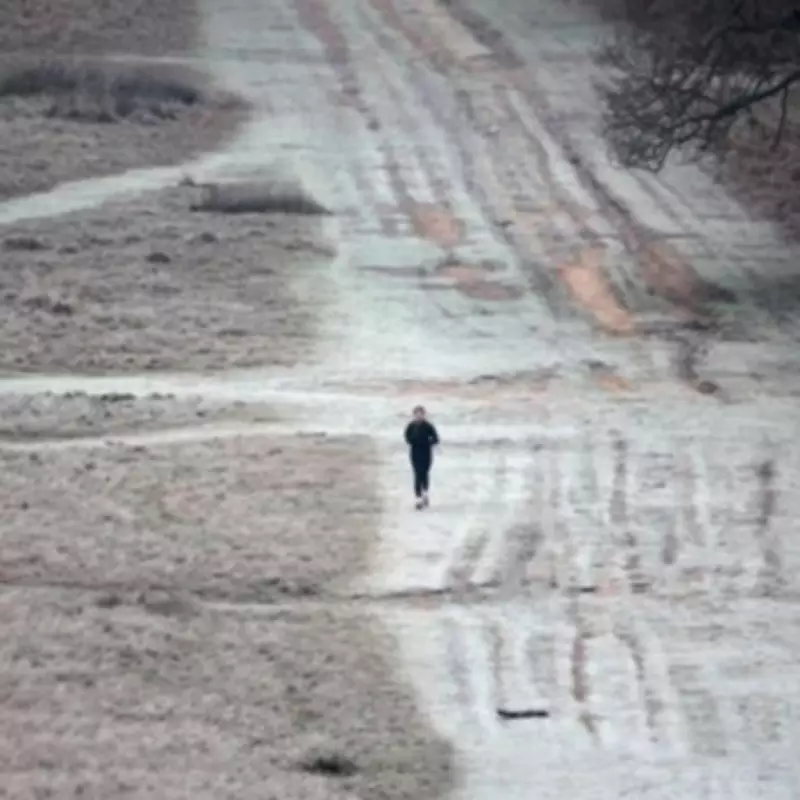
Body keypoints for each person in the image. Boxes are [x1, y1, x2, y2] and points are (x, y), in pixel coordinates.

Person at [404, 405, 440, 509]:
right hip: (415, 452)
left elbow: (436, 438)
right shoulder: (411, 426)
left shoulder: (428, 426)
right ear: (414, 415)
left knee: (425, 473)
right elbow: (407, 438)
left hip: (426, 452)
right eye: (417, 414)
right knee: (417, 473)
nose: (419, 416)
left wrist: (429, 442)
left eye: (421, 414)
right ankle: (418, 497)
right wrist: (413, 441)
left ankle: (425, 493)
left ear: (424, 415)